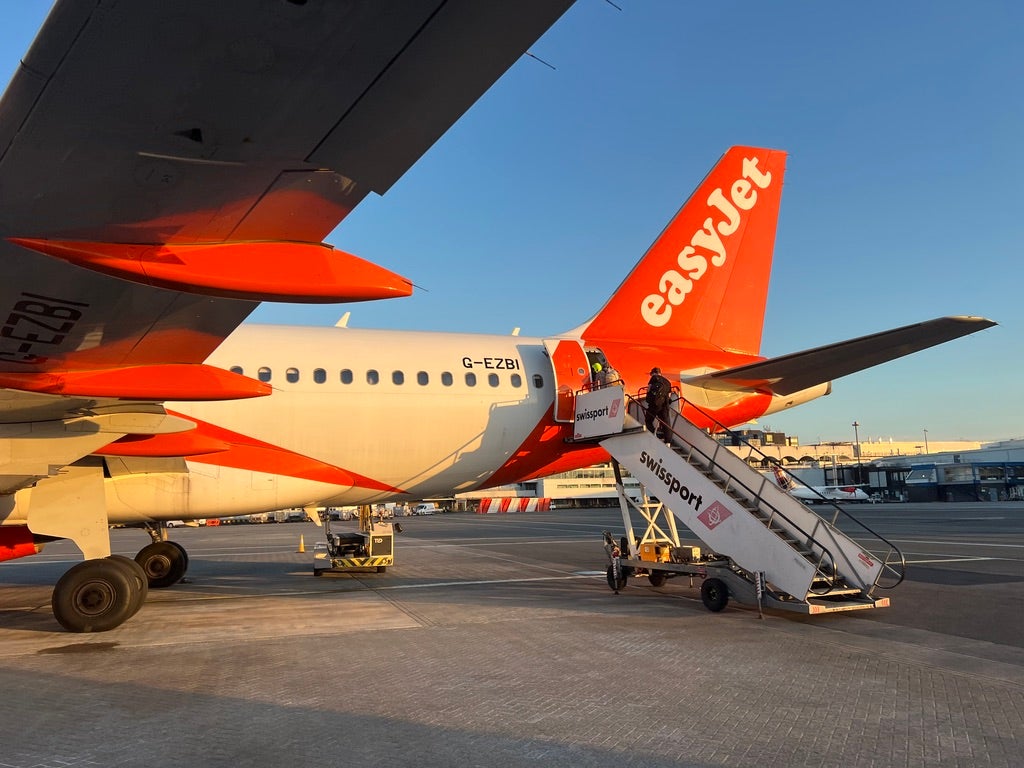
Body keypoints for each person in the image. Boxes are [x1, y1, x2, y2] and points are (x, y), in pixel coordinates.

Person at [644, 366, 672, 440]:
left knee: (648, 420)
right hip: (665, 405)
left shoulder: (654, 378)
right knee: (665, 423)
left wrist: (649, 398)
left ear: (653, 373)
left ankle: (654, 434)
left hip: (655, 404)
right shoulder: (668, 382)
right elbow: (669, 395)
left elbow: (649, 389)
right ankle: (668, 441)